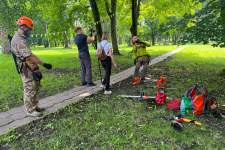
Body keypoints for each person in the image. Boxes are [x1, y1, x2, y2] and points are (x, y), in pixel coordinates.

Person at [11, 16, 52, 117]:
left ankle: (34, 106)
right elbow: (30, 56)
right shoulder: (19, 40)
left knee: (35, 86)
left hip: (29, 66)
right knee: (29, 88)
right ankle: (30, 110)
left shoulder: (20, 38)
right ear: (24, 27)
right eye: (29, 30)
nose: (30, 32)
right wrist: (44, 64)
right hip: (26, 67)